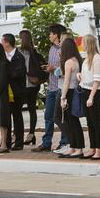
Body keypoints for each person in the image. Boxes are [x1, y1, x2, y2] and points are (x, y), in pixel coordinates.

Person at [32, 24, 70, 153]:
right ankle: (46, 142)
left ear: (56, 35)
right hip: (52, 87)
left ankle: (65, 142)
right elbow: (52, 66)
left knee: (60, 117)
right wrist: (48, 69)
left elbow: (66, 68)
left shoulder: (64, 49)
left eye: (51, 33)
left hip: (61, 87)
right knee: (48, 116)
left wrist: (53, 69)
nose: (49, 36)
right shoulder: (52, 49)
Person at [79, 34, 100, 160]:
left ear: (88, 44)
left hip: (94, 93)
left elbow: (97, 80)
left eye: (83, 43)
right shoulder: (86, 59)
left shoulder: (97, 59)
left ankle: (99, 149)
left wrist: (91, 97)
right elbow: (89, 76)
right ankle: (92, 147)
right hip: (86, 90)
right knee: (90, 122)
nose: (81, 45)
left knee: (96, 122)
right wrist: (81, 76)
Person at [18, 30, 45, 146]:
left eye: (20, 38)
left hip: (25, 85)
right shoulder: (34, 53)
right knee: (30, 109)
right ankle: (30, 134)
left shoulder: (21, 53)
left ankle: (23, 134)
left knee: (20, 110)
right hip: (31, 85)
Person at [58, 38, 84, 158]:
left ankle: (78, 147)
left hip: (69, 92)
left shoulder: (68, 62)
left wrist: (63, 97)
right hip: (75, 92)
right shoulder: (77, 60)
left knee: (72, 122)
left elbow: (66, 81)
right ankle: (74, 147)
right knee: (73, 121)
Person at [1, 33, 27, 150]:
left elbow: (19, 73)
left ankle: (19, 142)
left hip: (17, 92)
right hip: (5, 92)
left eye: (2, 41)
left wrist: (8, 71)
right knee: (6, 117)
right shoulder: (3, 56)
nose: (1, 44)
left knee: (17, 116)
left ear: (7, 43)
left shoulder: (18, 57)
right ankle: (5, 142)